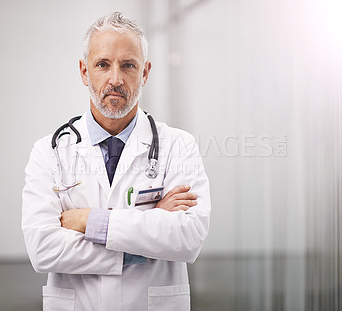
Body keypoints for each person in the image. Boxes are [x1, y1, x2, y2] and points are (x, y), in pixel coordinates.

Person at [22, 12, 211, 311]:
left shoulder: (178, 146)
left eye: (128, 65)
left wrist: (88, 220)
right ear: (84, 72)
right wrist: (143, 243)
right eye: (102, 65)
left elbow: (188, 239)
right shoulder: (49, 152)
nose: (115, 79)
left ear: (145, 72)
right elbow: (43, 249)